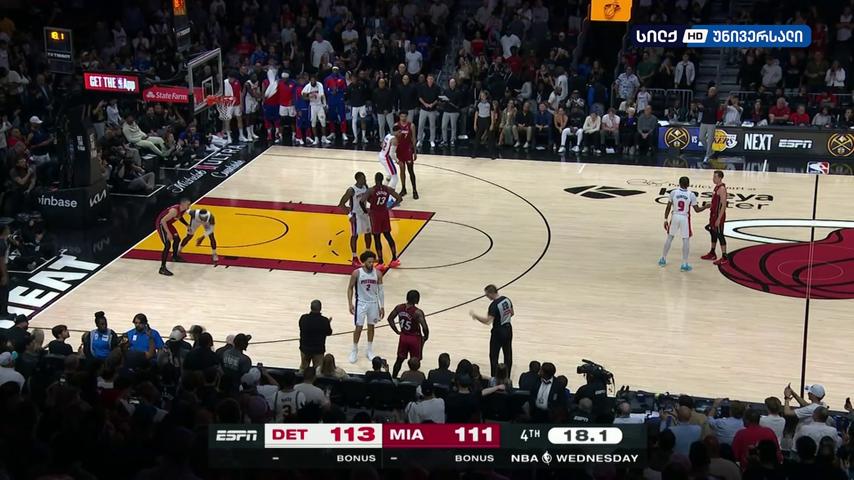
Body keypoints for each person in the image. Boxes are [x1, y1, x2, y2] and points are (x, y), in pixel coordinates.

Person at [659, 176, 708, 272]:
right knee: (686, 240)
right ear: (688, 184)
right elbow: (697, 210)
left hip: (675, 216)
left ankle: (663, 259)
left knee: (669, 237)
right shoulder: (691, 195)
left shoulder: (673, 192)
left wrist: (665, 219)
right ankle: (684, 264)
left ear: (679, 183)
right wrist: (705, 207)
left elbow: (668, 207)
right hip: (684, 218)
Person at [346, 250, 385, 363]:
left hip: (373, 303)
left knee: (371, 327)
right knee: (358, 327)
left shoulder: (378, 273)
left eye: (373, 262)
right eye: (369, 262)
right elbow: (350, 288)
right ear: (364, 262)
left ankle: (369, 350)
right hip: (361, 303)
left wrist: (382, 306)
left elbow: (381, 291)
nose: (371, 264)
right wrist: (350, 303)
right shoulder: (356, 273)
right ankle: (354, 349)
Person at [470, 284, 513, 377]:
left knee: (494, 356)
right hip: (508, 329)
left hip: (498, 332)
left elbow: (487, 321)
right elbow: (512, 313)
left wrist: (475, 316)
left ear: (491, 293)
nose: (486, 296)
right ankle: (507, 377)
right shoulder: (507, 299)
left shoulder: (493, 305)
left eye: (487, 294)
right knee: (508, 355)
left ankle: (494, 378)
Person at [365, 171, 403, 270]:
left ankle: (381, 262)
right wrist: (390, 207)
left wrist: (366, 211)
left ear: (375, 179)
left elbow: (362, 201)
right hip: (384, 213)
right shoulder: (388, 189)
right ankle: (394, 259)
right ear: (382, 179)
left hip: (375, 215)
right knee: (388, 236)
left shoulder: (371, 190)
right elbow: (399, 198)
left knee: (377, 238)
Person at [387, 289, 429, 378]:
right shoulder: (417, 312)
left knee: (399, 360)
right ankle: (415, 380)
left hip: (403, 337)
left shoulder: (399, 307)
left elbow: (390, 319)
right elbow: (424, 327)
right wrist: (426, 337)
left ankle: (393, 378)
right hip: (414, 338)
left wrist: (396, 331)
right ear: (416, 299)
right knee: (415, 362)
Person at [337, 172, 373, 267]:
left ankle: (368, 253)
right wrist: (350, 216)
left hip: (364, 214)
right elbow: (341, 204)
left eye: (365, 178)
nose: (364, 180)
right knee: (355, 236)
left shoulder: (365, 187)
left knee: (368, 234)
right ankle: (354, 258)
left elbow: (369, 199)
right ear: (357, 179)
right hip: (355, 215)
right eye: (363, 178)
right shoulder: (351, 190)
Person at [155, 198, 191, 276]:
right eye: (188, 204)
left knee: (177, 239)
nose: (189, 206)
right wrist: (168, 233)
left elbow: (180, 217)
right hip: (162, 224)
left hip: (168, 223)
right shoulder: (174, 211)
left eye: (189, 204)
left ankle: (174, 257)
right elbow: (163, 221)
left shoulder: (183, 210)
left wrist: (187, 225)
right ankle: (162, 268)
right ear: (183, 204)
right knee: (167, 245)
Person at [700, 170, 728, 265]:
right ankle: (712, 253)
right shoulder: (716, 187)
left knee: (720, 234)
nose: (713, 178)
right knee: (713, 232)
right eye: (713, 177)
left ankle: (725, 256)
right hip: (713, 214)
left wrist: (719, 218)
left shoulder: (722, 188)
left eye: (715, 177)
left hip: (718, 215)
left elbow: (723, 205)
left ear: (720, 178)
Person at [298, 299, 332, 371]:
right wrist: (327, 323)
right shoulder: (324, 321)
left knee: (303, 368)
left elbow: (301, 327)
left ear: (310, 307)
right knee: (318, 370)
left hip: (305, 348)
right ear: (320, 308)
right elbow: (329, 332)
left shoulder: (303, 318)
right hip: (318, 350)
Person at [301, 74, 329, 145]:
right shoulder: (307, 86)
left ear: (316, 80)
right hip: (313, 107)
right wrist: (310, 98)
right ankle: (316, 139)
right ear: (310, 80)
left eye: (314, 80)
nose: (313, 81)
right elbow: (303, 96)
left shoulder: (319, 85)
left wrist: (325, 105)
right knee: (313, 122)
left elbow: (322, 96)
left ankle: (324, 138)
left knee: (323, 121)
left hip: (320, 106)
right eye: (312, 80)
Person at [395, 112, 418, 199]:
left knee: (411, 170)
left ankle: (414, 190)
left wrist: (415, 152)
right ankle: (403, 188)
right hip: (399, 150)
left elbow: (413, 139)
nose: (403, 118)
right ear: (399, 117)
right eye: (402, 116)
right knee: (402, 170)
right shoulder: (396, 125)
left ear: (407, 117)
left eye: (405, 116)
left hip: (408, 151)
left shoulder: (411, 125)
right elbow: (394, 138)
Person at [377, 126, 401, 193]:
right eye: (399, 132)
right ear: (396, 131)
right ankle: (390, 195)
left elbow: (382, 145)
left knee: (389, 175)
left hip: (381, 155)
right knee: (395, 177)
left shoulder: (388, 135)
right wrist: (397, 160)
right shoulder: (394, 140)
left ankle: (382, 190)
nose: (400, 133)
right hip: (386, 158)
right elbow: (391, 154)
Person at [698, 86, 718, 162]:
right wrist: (703, 108)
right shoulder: (704, 99)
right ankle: (711, 152)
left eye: (712, 91)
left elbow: (711, 111)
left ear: (715, 93)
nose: (710, 92)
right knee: (701, 137)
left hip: (712, 123)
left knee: (710, 140)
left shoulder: (716, 101)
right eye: (710, 91)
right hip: (704, 121)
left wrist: (704, 108)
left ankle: (707, 156)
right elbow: (700, 109)